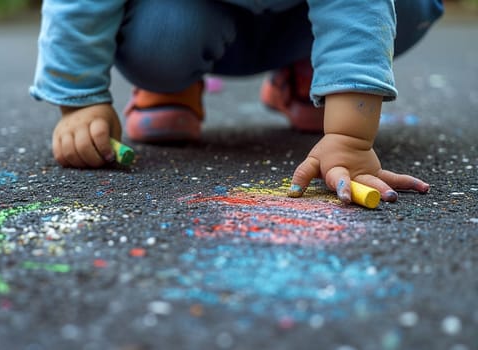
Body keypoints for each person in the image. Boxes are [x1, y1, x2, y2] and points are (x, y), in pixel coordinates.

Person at [30, 0, 443, 204]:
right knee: (162, 39)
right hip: (189, 14)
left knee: (406, 5)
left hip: (300, 19)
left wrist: (349, 138)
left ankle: (315, 74)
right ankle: (172, 82)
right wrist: (79, 99)